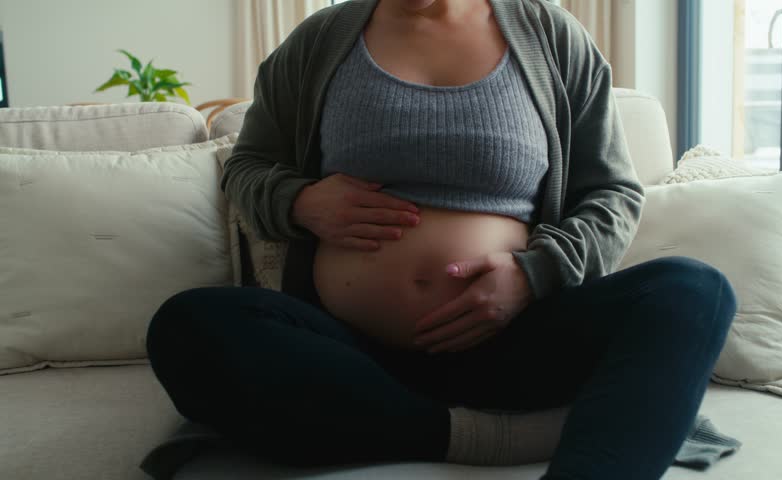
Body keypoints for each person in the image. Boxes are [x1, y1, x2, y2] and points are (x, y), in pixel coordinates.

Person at [145, 0, 737, 479]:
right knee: (188, 325)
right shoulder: (319, 42)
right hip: (349, 355)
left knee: (695, 289)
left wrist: (533, 276)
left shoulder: (551, 35)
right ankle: (480, 437)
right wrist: (303, 202)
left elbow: (612, 195)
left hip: (520, 339)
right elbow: (246, 169)